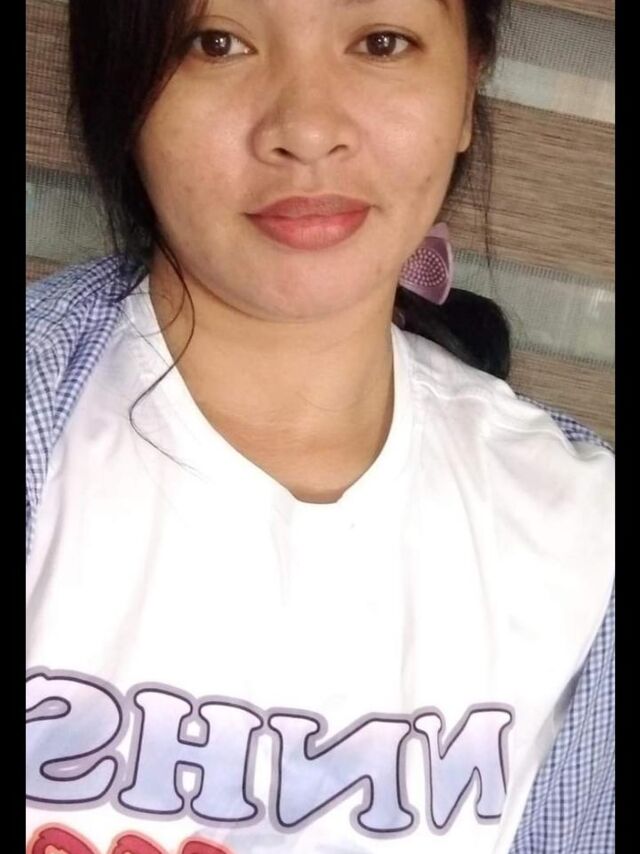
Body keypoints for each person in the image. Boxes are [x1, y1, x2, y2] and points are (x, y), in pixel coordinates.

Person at [26, 1, 614, 852]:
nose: (305, 130)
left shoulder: (583, 532)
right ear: (124, 89)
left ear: (466, 85)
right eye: (216, 43)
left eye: (381, 43)